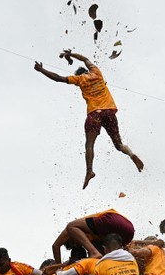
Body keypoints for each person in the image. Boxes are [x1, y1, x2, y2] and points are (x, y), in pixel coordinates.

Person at [35, 51, 144, 189]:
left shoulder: (79, 80)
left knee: (90, 144)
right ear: (87, 70)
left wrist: (41, 70)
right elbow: (85, 59)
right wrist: (71, 54)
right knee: (118, 144)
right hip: (109, 112)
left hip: (94, 115)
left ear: (78, 75)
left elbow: (58, 78)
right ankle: (131, 154)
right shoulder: (96, 72)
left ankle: (89, 171)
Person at [51, 208, 135, 262]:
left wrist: (58, 267)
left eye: (74, 242)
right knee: (101, 258)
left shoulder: (74, 228)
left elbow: (55, 246)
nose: (78, 244)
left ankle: (94, 253)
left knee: (70, 226)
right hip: (128, 233)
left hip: (114, 220)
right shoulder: (94, 239)